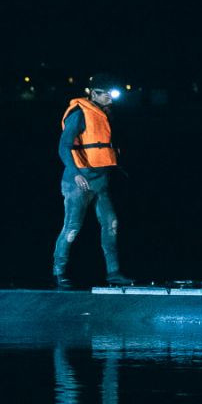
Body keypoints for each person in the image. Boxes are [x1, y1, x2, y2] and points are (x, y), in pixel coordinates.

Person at [54, 75, 132, 288]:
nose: (110, 96)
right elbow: (63, 146)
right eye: (105, 93)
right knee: (72, 227)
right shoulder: (79, 114)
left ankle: (113, 273)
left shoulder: (104, 115)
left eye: (112, 92)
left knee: (111, 224)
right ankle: (59, 273)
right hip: (78, 183)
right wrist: (75, 172)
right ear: (93, 93)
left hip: (100, 181)